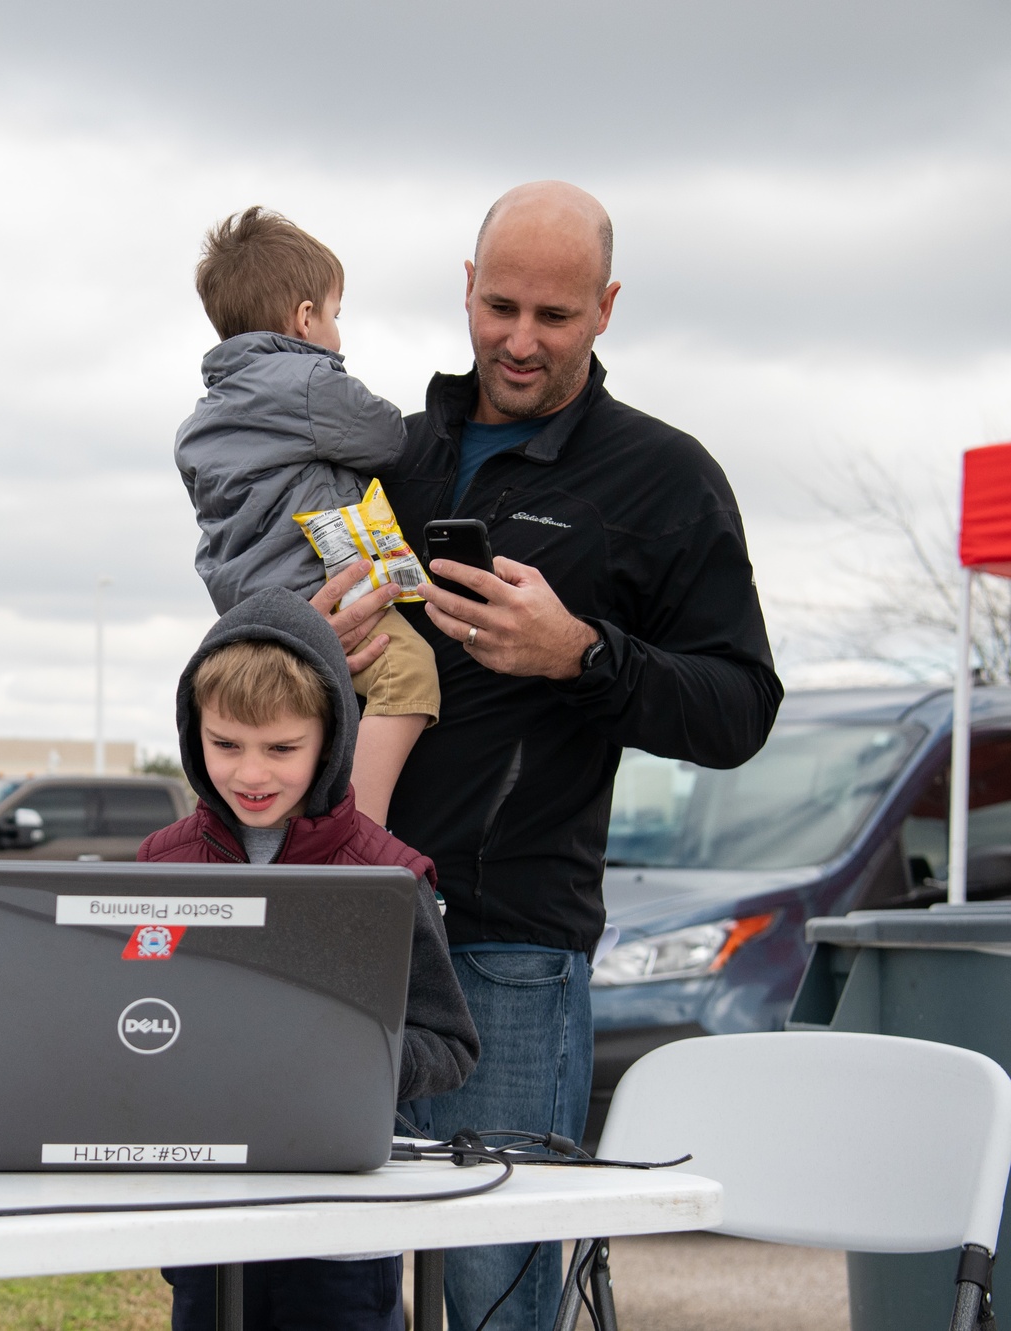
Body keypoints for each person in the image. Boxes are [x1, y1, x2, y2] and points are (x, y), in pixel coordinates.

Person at [378, 183, 784, 1331]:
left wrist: (578, 654)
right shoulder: (390, 456)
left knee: (495, 1292)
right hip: (345, 921)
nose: (517, 339)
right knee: (334, 1273)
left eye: (552, 316)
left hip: (508, 944)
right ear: (463, 287)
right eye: (498, 304)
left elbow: (739, 705)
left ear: (604, 309)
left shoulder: (663, 479)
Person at [140, 586, 479, 1331]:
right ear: (193, 731)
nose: (250, 773)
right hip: (204, 1212)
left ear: (331, 738)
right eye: (225, 744)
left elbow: (450, 1042)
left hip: (344, 1226)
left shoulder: (386, 874)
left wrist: (354, 1059)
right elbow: (128, 1013)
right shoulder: (158, 866)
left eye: (282, 748)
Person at [174, 206, 440, 826]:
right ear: (304, 317)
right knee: (408, 671)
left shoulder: (204, 419)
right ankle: (361, 834)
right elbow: (388, 437)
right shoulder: (310, 383)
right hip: (319, 588)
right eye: (335, 315)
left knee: (278, 728)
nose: (338, 334)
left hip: (247, 609)